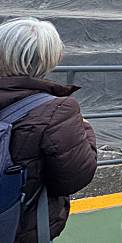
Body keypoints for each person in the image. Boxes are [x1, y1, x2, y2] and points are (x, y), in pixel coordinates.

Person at [0, 17, 97, 242]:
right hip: (20, 226)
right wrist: (86, 130)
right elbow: (74, 177)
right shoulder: (57, 109)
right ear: (49, 59)